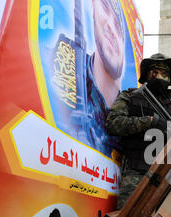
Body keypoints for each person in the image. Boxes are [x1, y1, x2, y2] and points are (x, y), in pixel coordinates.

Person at [47, 0, 127, 157]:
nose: (111, 26)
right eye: (105, 8)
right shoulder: (54, 65)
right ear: (93, 9)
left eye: (119, 27)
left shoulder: (130, 109)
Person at [105, 53, 171, 210]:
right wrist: (148, 121)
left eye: (164, 74)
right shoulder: (130, 97)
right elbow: (113, 123)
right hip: (136, 173)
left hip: (168, 176)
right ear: (147, 75)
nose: (159, 77)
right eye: (154, 72)